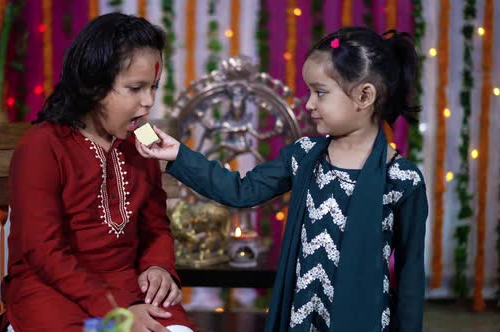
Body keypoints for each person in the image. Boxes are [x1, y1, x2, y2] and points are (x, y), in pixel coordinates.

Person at [136, 27, 428, 332]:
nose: (309, 104)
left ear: (364, 96)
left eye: (321, 92)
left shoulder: (402, 180)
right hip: (299, 319)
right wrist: (178, 156)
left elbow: (409, 277)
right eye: (310, 92)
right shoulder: (303, 156)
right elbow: (240, 190)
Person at [0, 13, 194, 332]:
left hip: (130, 285)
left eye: (153, 87)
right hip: (51, 290)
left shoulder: (142, 140)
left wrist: (159, 267)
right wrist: (117, 312)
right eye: (136, 88)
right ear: (94, 86)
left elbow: (155, 226)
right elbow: (44, 252)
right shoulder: (42, 146)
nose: (149, 102)